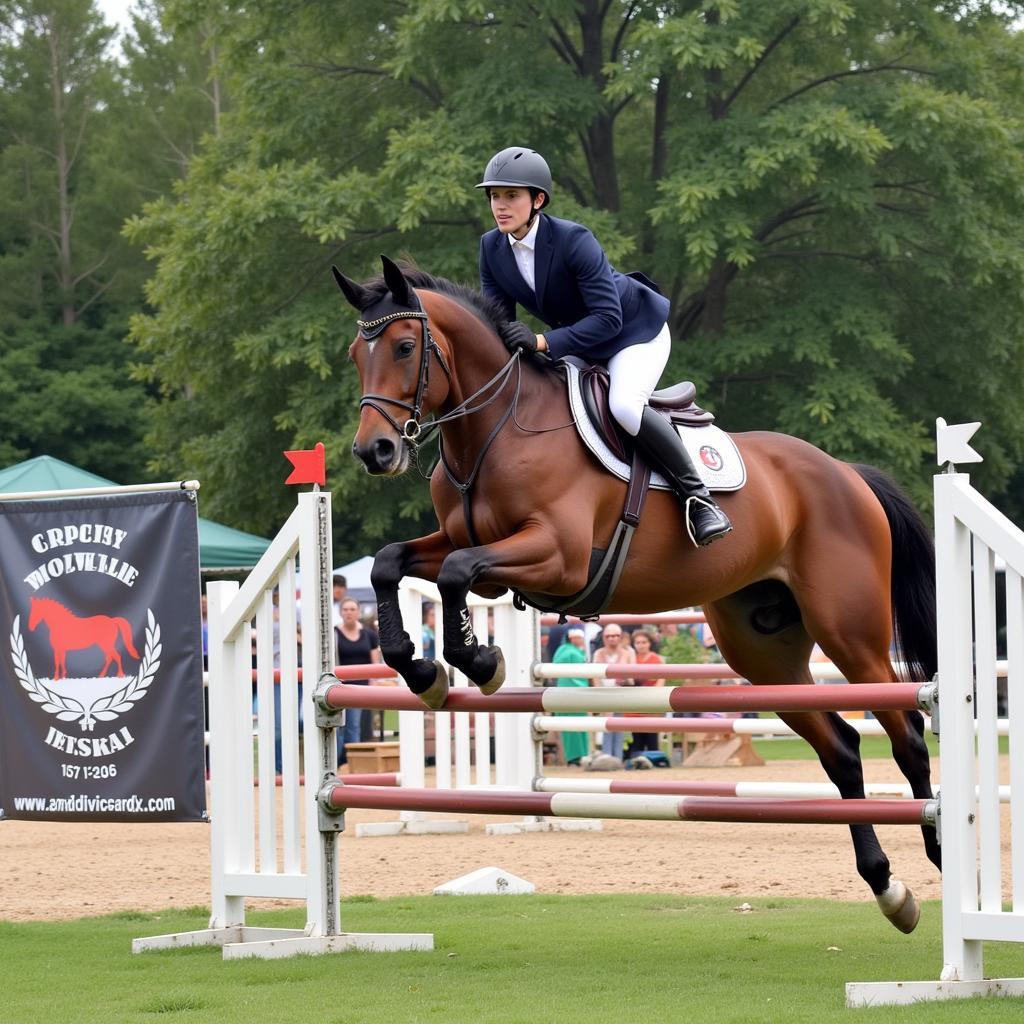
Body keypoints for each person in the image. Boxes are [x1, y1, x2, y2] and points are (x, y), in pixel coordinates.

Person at [476, 146, 732, 547]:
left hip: (633, 332)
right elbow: (499, 318)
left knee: (624, 405)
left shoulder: (573, 240)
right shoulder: (491, 248)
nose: (500, 206)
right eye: (494, 196)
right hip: (580, 340)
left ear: (537, 200)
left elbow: (608, 319)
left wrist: (541, 340)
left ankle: (699, 498)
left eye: (511, 196)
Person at [335, 597, 381, 769]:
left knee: (353, 726)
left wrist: (373, 684)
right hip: (339, 687)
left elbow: (375, 663)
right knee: (338, 727)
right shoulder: (333, 634)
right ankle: (336, 763)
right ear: (340, 612)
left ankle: (351, 764)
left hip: (360, 689)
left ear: (358, 612)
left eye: (352, 609)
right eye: (345, 609)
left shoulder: (369, 635)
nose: (348, 612)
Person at [591, 622, 635, 760]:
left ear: (620, 637)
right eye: (609, 636)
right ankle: (607, 757)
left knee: (619, 726)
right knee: (606, 726)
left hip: (621, 694)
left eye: (615, 636)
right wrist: (600, 696)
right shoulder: (598, 653)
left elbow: (632, 678)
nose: (612, 639)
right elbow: (595, 677)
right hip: (604, 694)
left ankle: (617, 757)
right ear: (604, 637)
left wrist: (624, 680)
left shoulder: (627, 653)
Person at [624, 628, 665, 761]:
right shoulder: (631, 659)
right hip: (634, 703)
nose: (641, 645)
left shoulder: (657, 659)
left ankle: (654, 761)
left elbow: (661, 682)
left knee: (652, 737)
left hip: (651, 702)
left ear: (649, 643)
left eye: (644, 642)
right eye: (638, 642)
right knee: (636, 738)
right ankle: (635, 762)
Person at [551, 627, 590, 765]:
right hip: (574, 693)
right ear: (573, 638)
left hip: (566, 694)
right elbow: (577, 676)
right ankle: (576, 757)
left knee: (570, 726)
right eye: (579, 637)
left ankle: (575, 757)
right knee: (574, 726)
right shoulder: (572, 652)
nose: (581, 640)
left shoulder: (563, 651)